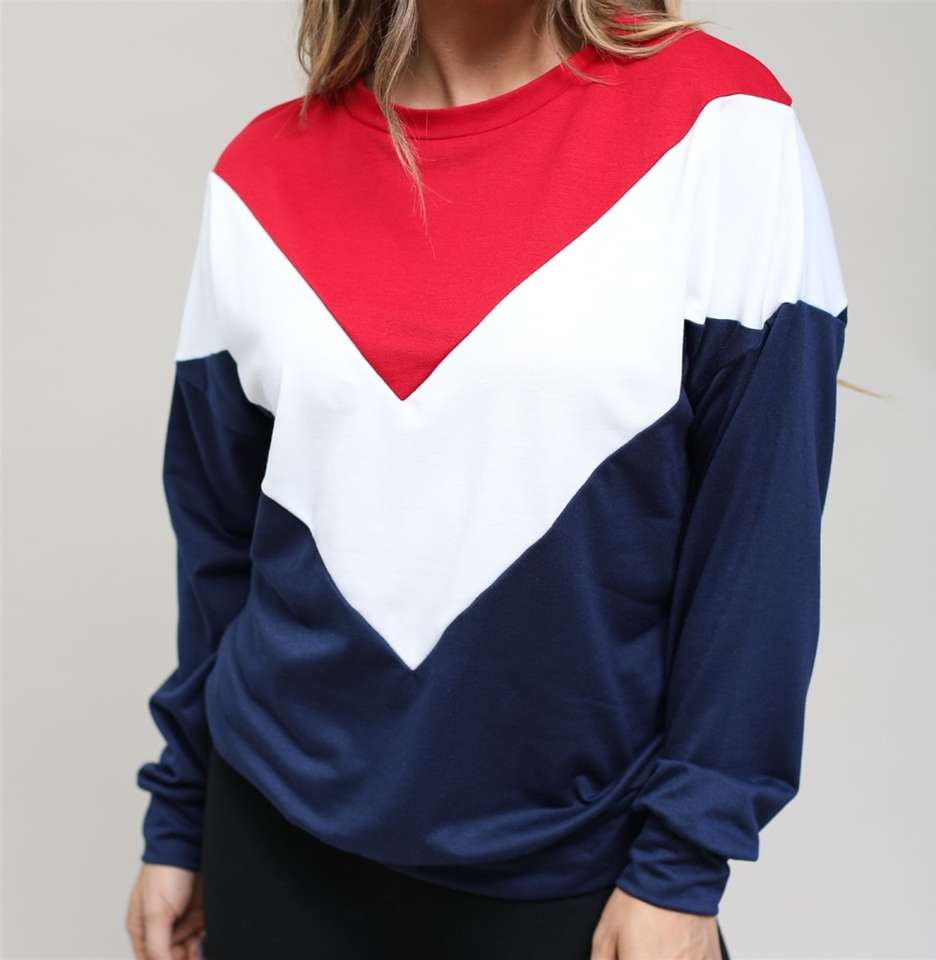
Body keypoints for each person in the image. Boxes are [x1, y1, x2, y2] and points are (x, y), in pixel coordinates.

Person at [124, 1, 849, 957]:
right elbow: (220, 544)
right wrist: (181, 815)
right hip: (271, 842)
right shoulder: (258, 176)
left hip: (579, 873)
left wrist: (683, 863)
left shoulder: (722, 126)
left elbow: (758, 546)